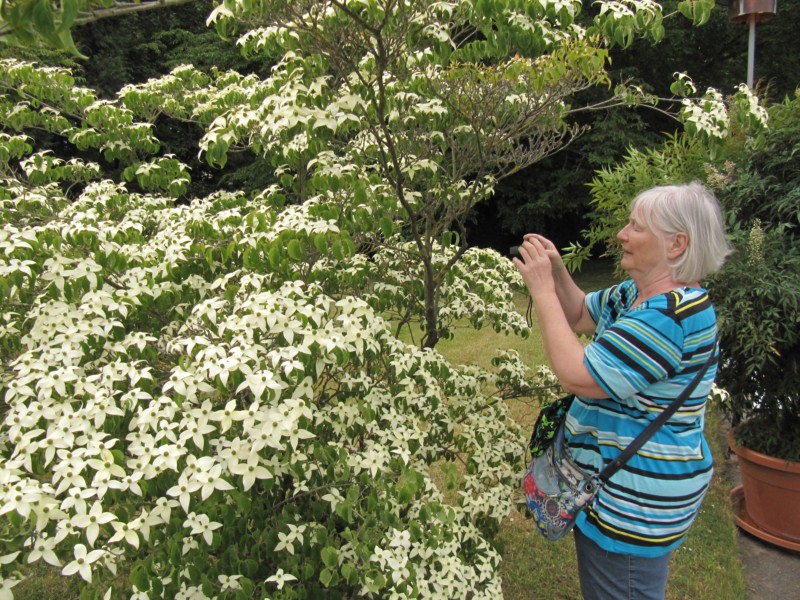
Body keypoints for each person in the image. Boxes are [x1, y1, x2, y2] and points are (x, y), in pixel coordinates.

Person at [512, 182, 732, 600]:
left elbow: (577, 374)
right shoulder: (639, 295)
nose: (622, 235)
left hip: (633, 507)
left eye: (636, 226)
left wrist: (540, 289)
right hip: (618, 488)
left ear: (676, 244)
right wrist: (558, 271)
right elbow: (578, 313)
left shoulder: (669, 318)